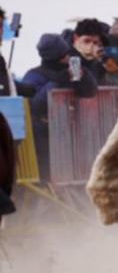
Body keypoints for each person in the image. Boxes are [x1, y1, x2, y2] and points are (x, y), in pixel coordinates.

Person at [18, 33, 97, 178]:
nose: (67, 58)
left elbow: (91, 91)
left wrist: (83, 76)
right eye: (63, 56)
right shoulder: (34, 75)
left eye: (67, 54)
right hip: (44, 136)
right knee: (49, 174)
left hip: (71, 134)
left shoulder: (71, 70)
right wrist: (57, 82)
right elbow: (37, 104)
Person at [70, 18, 109, 82]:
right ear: (75, 38)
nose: (91, 46)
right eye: (87, 41)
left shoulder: (99, 62)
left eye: (95, 42)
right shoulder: (70, 60)